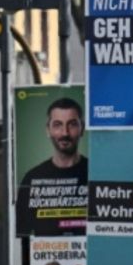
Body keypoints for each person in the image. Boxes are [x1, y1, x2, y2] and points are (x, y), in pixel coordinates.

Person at [16, 97, 88, 237]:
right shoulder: (32, 179)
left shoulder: (95, 173)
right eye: (57, 125)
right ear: (48, 130)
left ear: (82, 128)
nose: (65, 133)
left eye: (72, 124)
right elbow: (21, 235)